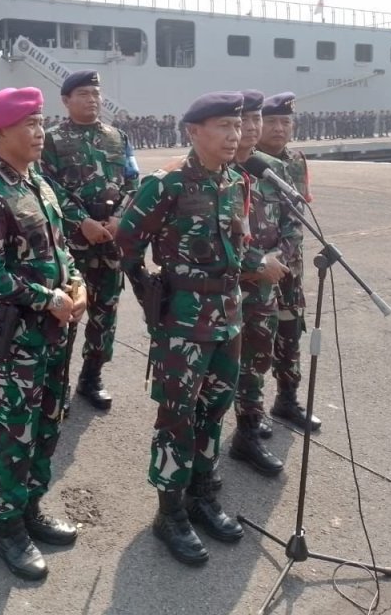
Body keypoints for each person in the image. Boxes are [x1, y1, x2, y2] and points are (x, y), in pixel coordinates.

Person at [117, 91, 253, 566]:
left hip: (228, 318)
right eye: (224, 126)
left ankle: (202, 494)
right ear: (194, 132)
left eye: (237, 126)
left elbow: (238, 246)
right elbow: (126, 243)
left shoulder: (235, 182)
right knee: (177, 416)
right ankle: (169, 512)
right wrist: (152, 297)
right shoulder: (166, 185)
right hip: (182, 322)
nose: (235, 135)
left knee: (215, 409)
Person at [0, 87, 87, 581]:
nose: (40, 132)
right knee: (15, 431)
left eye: (40, 122)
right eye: (29, 124)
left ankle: (32, 505)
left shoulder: (40, 185)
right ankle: (7, 527)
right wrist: (47, 298)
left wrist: (76, 283)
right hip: (17, 338)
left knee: (50, 419)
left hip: (54, 331)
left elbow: (61, 249)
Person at [40, 70, 138, 412]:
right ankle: (59, 381)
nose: (92, 99)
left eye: (95, 93)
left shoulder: (118, 137)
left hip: (110, 241)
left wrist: (119, 216)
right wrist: (80, 221)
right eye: (83, 94)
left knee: (105, 313)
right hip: (72, 244)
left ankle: (91, 377)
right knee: (67, 311)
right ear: (66, 100)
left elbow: (133, 181)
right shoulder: (51, 140)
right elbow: (45, 186)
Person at [228, 89, 298, 479]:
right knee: (215, 371)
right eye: (246, 120)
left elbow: (293, 225)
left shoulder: (272, 169)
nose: (253, 127)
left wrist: (277, 262)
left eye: (257, 119)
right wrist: (257, 263)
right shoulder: (213, 170)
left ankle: (248, 432)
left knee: (256, 360)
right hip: (222, 289)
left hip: (265, 287)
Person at [257, 92, 321, 432]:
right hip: (256, 270)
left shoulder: (297, 160)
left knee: (290, 333)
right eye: (271, 121)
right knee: (254, 341)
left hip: (290, 269)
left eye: (285, 122)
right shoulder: (246, 161)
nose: (279, 128)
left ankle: (287, 400)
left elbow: (300, 212)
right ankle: (251, 412)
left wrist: (285, 257)